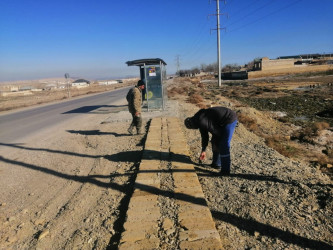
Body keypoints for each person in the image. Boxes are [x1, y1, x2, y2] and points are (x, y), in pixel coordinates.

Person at [184, 106, 238, 175]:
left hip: (230, 118)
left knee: (224, 144)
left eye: (192, 128)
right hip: (221, 120)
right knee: (215, 141)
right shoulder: (197, 119)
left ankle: (225, 170)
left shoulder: (201, 121)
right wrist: (203, 150)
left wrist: (218, 140)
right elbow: (204, 136)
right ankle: (216, 164)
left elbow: (215, 131)